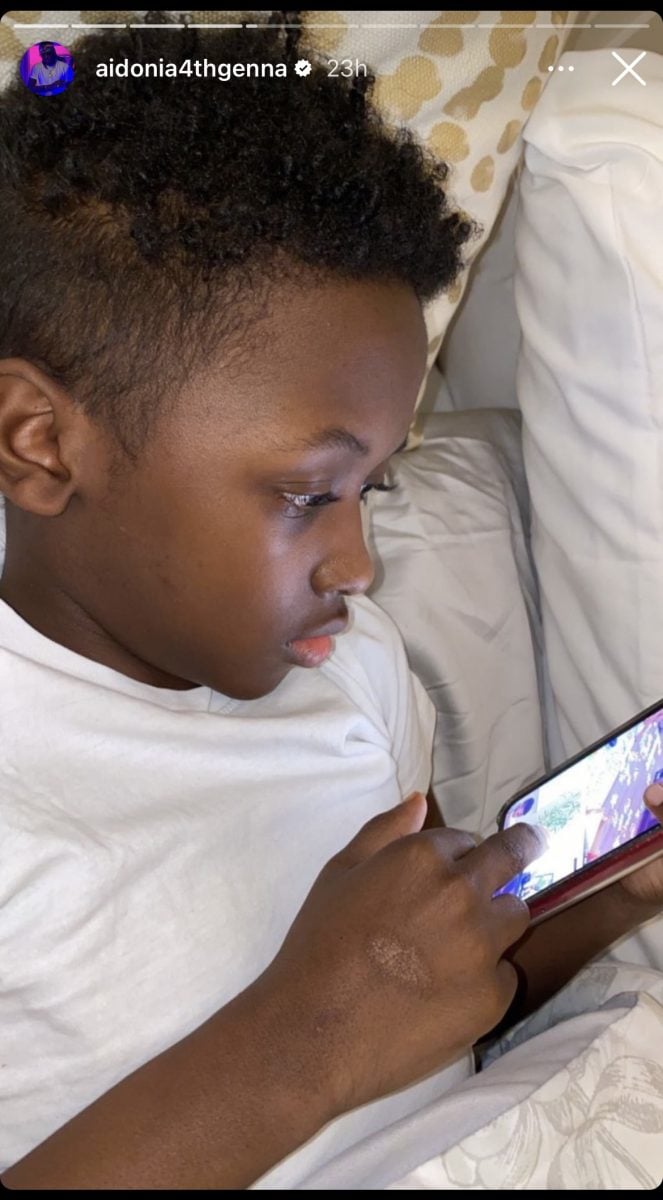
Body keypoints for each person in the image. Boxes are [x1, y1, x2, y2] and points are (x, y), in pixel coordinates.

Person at [0, 15, 661, 1191]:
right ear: (40, 442)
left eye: (375, 488)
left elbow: (432, 1019)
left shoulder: (353, 668)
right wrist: (306, 1043)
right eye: (309, 494)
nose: (359, 566)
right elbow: (349, 1037)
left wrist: (620, 892)